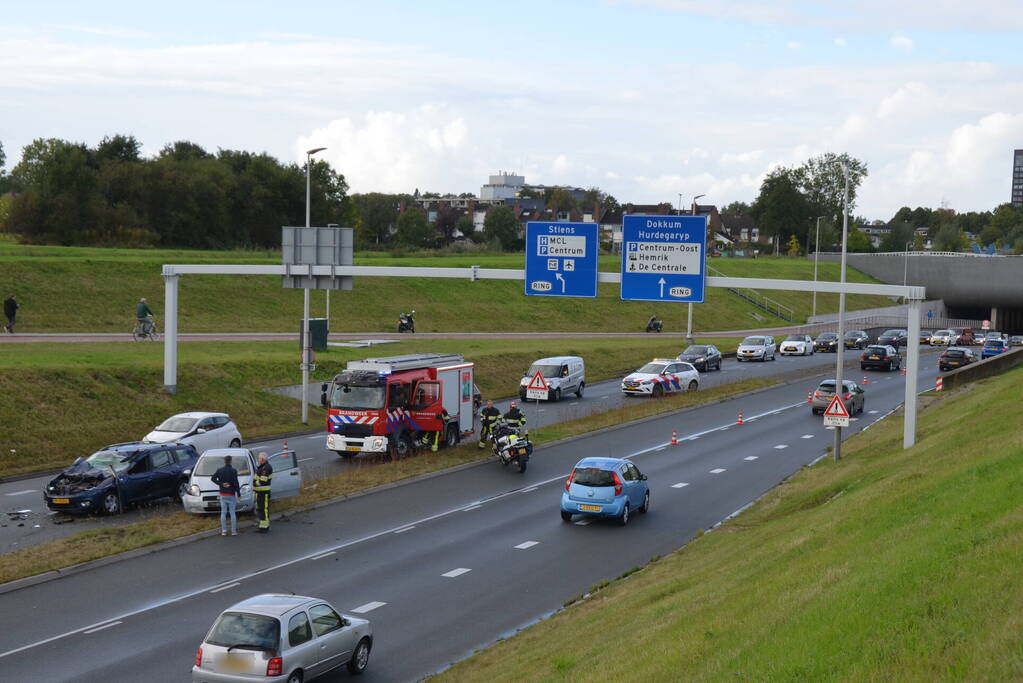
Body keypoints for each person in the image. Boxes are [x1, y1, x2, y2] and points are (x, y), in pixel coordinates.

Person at [210, 455, 240, 536]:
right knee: (232, 512)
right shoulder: (233, 471)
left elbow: (212, 478)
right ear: (231, 461)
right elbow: (236, 484)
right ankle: (233, 531)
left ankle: (224, 531)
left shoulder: (219, 470)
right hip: (231, 494)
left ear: (224, 461)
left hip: (223, 494)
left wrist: (221, 484)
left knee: (223, 512)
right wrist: (239, 494)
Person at [253, 452, 273, 533]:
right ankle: (263, 527)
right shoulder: (262, 467)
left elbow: (263, 480)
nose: (258, 460)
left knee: (264, 509)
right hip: (260, 492)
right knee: (261, 510)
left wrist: (255, 483)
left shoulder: (266, 468)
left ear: (262, 459)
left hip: (263, 492)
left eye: (259, 458)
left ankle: (265, 528)